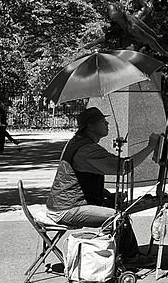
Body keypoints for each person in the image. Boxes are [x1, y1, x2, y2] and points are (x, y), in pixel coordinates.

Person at [46, 107, 161, 260]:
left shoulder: (79, 142)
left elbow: (81, 182)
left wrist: (108, 195)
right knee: (119, 217)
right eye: (102, 121)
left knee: (116, 209)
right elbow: (123, 167)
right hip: (67, 208)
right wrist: (150, 147)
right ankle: (130, 258)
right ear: (91, 126)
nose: (107, 123)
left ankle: (118, 253)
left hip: (66, 204)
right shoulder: (86, 150)